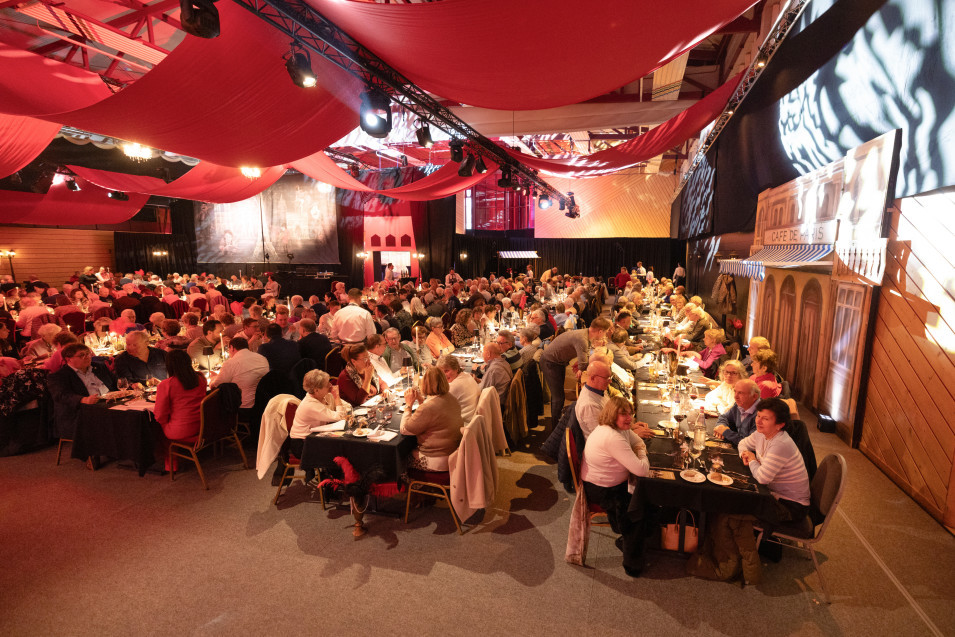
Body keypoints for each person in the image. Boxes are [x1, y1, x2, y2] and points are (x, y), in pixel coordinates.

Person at [580, 397, 650, 577]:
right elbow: (642, 470)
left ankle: (634, 540)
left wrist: (639, 449)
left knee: (645, 496)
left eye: (630, 413)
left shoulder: (620, 429)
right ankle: (632, 565)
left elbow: (638, 441)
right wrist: (641, 453)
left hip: (610, 483)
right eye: (623, 414)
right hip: (601, 489)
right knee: (636, 511)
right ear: (612, 414)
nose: (629, 418)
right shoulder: (612, 437)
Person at [739, 397, 811, 527]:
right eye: (758, 416)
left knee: (736, 507)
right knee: (737, 497)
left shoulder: (781, 443)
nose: (758, 421)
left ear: (780, 425)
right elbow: (743, 443)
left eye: (765, 419)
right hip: (774, 494)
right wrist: (745, 454)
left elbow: (762, 478)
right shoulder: (761, 433)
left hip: (790, 506)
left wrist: (752, 460)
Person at [540, 317, 611, 425]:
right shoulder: (582, 339)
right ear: (600, 331)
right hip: (550, 362)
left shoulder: (585, 334)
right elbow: (583, 363)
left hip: (558, 362)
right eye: (605, 333)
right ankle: (555, 427)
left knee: (558, 396)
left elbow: (585, 354)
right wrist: (586, 367)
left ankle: (557, 420)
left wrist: (584, 364)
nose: (605, 335)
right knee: (558, 398)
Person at [400, 366, 464, 472]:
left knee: (400, 459)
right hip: (453, 455)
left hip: (437, 461)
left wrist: (408, 405)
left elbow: (405, 430)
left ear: (424, 384)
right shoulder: (451, 398)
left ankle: (407, 481)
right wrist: (421, 400)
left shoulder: (428, 408)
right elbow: (431, 417)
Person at [47, 343, 117, 440]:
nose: (87, 357)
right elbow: (61, 395)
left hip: (109, 404)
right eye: (81, 355)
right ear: (68, 359)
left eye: (88, 354)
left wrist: (129, 386)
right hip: (81, 414)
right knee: (117, 420)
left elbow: (116, 382)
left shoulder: (99, 367)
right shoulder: (59, 376)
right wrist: (83, 399)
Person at [154, 349, 208, 469]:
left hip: (181, 430)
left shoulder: (166, 384)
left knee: (156, 427)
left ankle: (171, 466)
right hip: (202, 426)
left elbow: (160, 415)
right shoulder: (201, 378)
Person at [290, 369, 348, 481]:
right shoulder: (310, 405)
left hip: (314, 438)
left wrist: (337, 402)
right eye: (327, 385)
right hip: (302, 445)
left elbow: (347, 408)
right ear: (316, 390)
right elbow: (340, 416)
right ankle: (332, 483)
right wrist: (336, 397)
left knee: (340, 444)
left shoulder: (323, 396)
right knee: (337, 450)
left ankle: (335, 478)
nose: (331, 385)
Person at [211, 336, 269, 418]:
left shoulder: (231, 363)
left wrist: (212, 379)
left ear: (232, 348)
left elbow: (217, 385)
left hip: (243, 408)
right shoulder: (262, 358)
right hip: (263, 405)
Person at [713, 379, 761, 446]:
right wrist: (721, 426)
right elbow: (724, 417)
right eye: (735, 392)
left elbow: (750, 444)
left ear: (754, 396)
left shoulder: (762, 415)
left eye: (740, 393)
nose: (735, 397)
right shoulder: (740, 405)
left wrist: (726, 432)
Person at [436, 354, 480, 424]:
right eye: (441, 372)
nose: (443, 375)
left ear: (456, 369)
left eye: (446, 371)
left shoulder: (454, 386)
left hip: (464, 425)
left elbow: (437, 408)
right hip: (473, 421)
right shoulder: (466, 375)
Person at [574, 360, 612, 437]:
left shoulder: (599, 389)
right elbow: (602, 436)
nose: (610, 381)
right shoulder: (589, 405)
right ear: (593, 378)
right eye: (606, 378)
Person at [478, 342, 512, 409]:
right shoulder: (505, 363)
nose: (482, 354)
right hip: (501, 398)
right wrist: (479, 380)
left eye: (483, 352)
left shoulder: (494, 369)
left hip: (496, 406)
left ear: (488, 354)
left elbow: (481, 392)